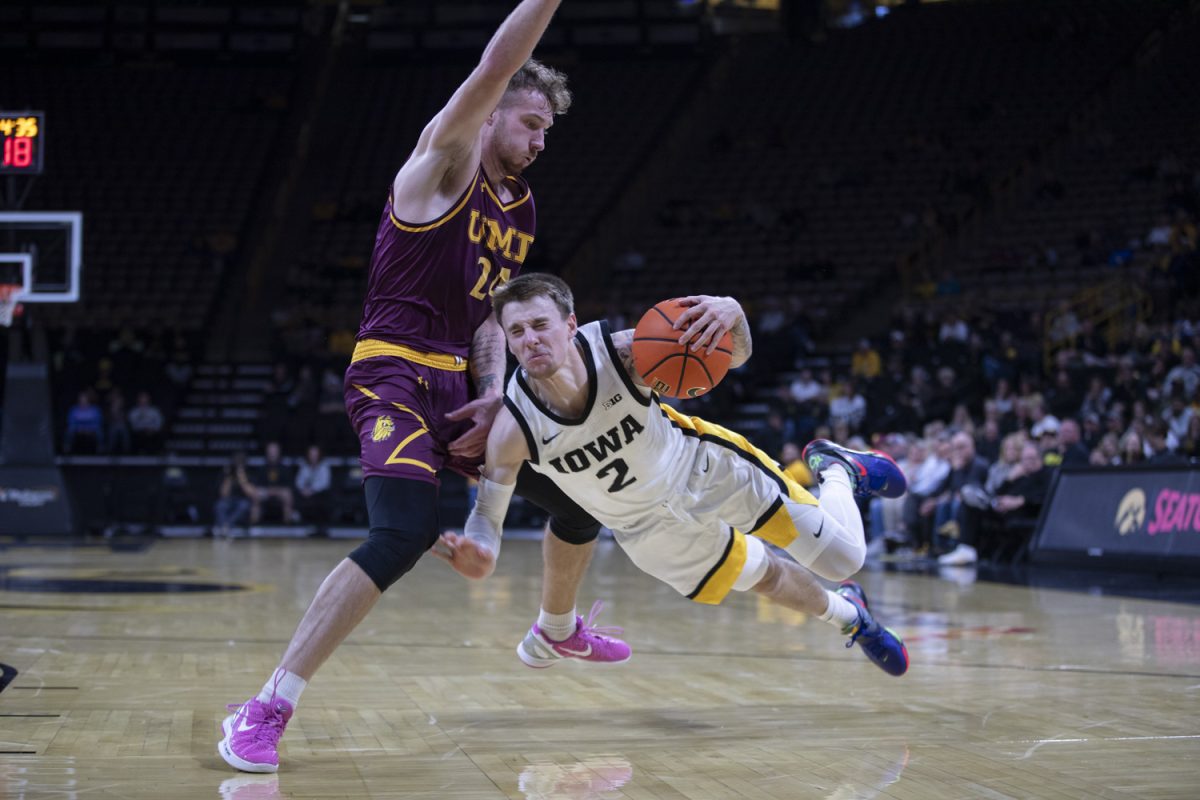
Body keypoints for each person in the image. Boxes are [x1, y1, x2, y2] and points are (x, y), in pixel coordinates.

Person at [218, 0, 627, 775]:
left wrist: (498, 396)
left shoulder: (521, 206)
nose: (541, 140)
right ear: (492, 114)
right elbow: (492, 68)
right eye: (530, 121)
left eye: (548, 130)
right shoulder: (445, 164)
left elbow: (489, 318)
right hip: (393, 372)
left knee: (579, 500)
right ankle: (267, 703)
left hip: (459, 386)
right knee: (401, 534)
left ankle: (556, 625)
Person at [434, 274, 909, 680]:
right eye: (516, 332)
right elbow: (486, 515)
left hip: (707, 471)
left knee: (844, 558)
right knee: (765, 578)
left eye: (540, 325)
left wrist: (733, 315)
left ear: (570, 325)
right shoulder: (512, 428)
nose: (529, 339)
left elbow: (734, 355)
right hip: (648, 533)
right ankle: (852, 617)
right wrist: (482, 550)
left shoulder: (625, 353)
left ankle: (838, 469)